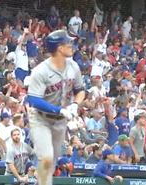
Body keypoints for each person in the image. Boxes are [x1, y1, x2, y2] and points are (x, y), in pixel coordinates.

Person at [26, 30, 85, 185]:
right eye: (68, 43)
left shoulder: (73, 66)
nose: (71, 45)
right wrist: (60, 110)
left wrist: (75, 105)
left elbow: (80, 91)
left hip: (61, 121)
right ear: (60, 47)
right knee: (45, 158)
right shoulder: (41, 71)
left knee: (51, 163)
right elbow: (33, 99)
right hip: (41, 119)